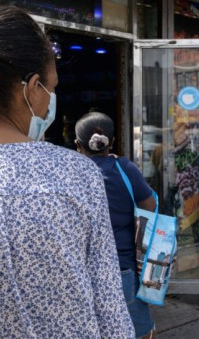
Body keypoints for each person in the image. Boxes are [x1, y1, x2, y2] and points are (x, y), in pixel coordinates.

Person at [0, 4, 133, 337]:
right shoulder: (77, 176)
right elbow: (110, 312)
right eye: (52, 88)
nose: (51, 99)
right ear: (31, 88)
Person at [75, 111, 158, 339]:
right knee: (140, 330)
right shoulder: (125, 168)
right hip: (124, 268)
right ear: (111, 142)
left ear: (77, 145)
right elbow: (149, 204)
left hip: (83, 269)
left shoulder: (72, 173)